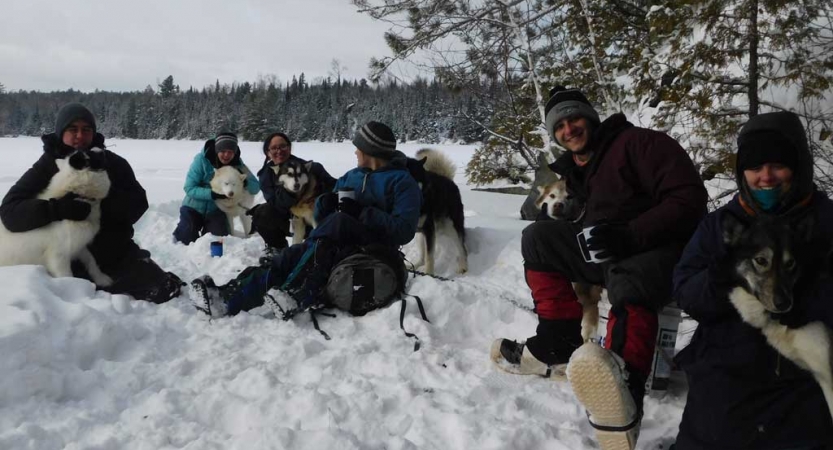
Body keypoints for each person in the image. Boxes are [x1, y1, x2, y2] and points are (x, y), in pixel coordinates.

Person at [491, 86, 708, 449]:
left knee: (626, 275)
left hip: (658, 251)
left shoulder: (640, 143)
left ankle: (625, 389)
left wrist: (631, 235)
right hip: (606, 250)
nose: (568, 129)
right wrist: (546, 191)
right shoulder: (572, 169)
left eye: (574, 118)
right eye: (558, 126)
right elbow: (534, 208)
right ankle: (559, 342)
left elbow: (689, 199)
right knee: (538, 238)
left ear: (590, 117)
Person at [671, 111, 833, 449]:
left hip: (800, 376)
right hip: (725, 370)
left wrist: (810, 301)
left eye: (778, 165)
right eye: (755, 167)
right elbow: (686, 290)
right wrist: (716, 282)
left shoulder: (824, 221)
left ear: (799, 166)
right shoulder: (721, 225)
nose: (766, 177)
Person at [188, 121, 421, 318]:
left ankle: (297, 291)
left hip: (375, 248)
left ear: (371, 151)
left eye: (358, 148)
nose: (355, 152)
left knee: (330, 231)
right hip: (337, 243)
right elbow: (322, 218)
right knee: (291, 256)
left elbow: (403, 231)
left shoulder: (402, 182)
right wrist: (324, 204)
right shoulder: (352, 176)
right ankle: (229, 297)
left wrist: (361, 212)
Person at [0, 103, 183, 303]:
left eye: (86, 130)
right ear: (61, 132)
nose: (80, 135)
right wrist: (56, 209)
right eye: (73, 129)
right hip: (62, 256)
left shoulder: (111, 163)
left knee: (164, 289)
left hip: (113, 252)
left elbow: (139, 203)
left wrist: (98, 202)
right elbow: (10, 212)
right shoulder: (46, 166)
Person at [248, 132, 335, 257]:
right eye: (274, 148)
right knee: (262, 212)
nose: (279, 151)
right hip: (285, 218)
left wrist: (320, 197)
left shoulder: (309, 167)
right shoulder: (266, 174)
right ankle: (277, 248)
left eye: (283, 146)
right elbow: (275, 203)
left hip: (314, 216)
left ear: (289, 147)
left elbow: (333, 185)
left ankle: (318, 249)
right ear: (268, 152)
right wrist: (292, 193)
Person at [172, 131, 260, 244]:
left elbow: (256, 187)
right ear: (217, 149)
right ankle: (183, 229)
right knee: (185, 238)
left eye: (230, 152)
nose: (227, 155)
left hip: (217, 210)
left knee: (217, 240)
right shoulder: (202, 160)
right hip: (193, 207)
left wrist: (244, 180)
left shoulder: (238, 165)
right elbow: (189, 188)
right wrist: (212, 194)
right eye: (223, 151)